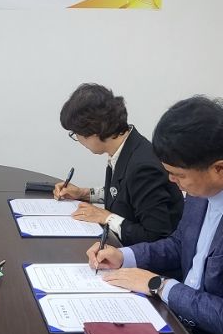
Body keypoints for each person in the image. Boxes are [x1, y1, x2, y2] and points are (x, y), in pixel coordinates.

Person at [87, 96, 223, 334]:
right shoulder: (200, 194)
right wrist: (124, 256)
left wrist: (159, 285)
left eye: (178, 174)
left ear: (219, 169)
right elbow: (179, 244)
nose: (171, 181)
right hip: (176, 319)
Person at [54, 83, 184, 245]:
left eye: (76, 133)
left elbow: (155, 236)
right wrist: (83, 193)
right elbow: (125, 195)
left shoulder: (143, 168)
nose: (78, 140)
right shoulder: (128, 147)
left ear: (93, 131)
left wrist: (107, 218)